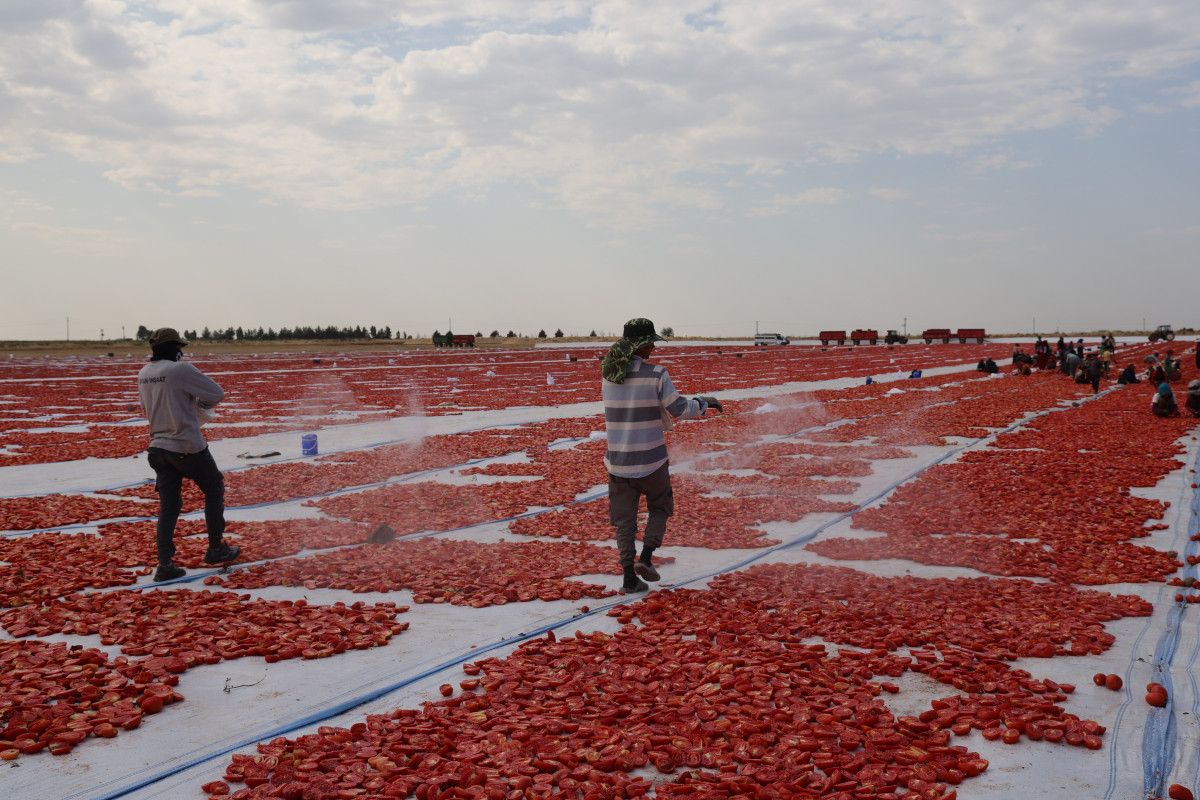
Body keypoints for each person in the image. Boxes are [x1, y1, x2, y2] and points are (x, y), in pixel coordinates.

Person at [601, 318, 722, 594]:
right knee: (659, 506)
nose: (654, 347)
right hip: (651, 460)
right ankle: (646, 558)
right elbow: (679, 409)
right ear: (639, 345)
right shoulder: (656, 374)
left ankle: (629, 578)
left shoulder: (608, 375)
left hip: (618, 462)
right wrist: (705, 403)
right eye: (650, 342)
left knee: (624, 520)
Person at [138, 328, 240, 581]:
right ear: (175, 348)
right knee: (214, 488)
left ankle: (164, 564)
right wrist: (198, 408)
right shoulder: (179, 369)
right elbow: (216, 394)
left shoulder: (144, 373)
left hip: (158, 447)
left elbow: (146, 406)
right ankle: (216, 548)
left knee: (169, 506)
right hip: (186, 445)